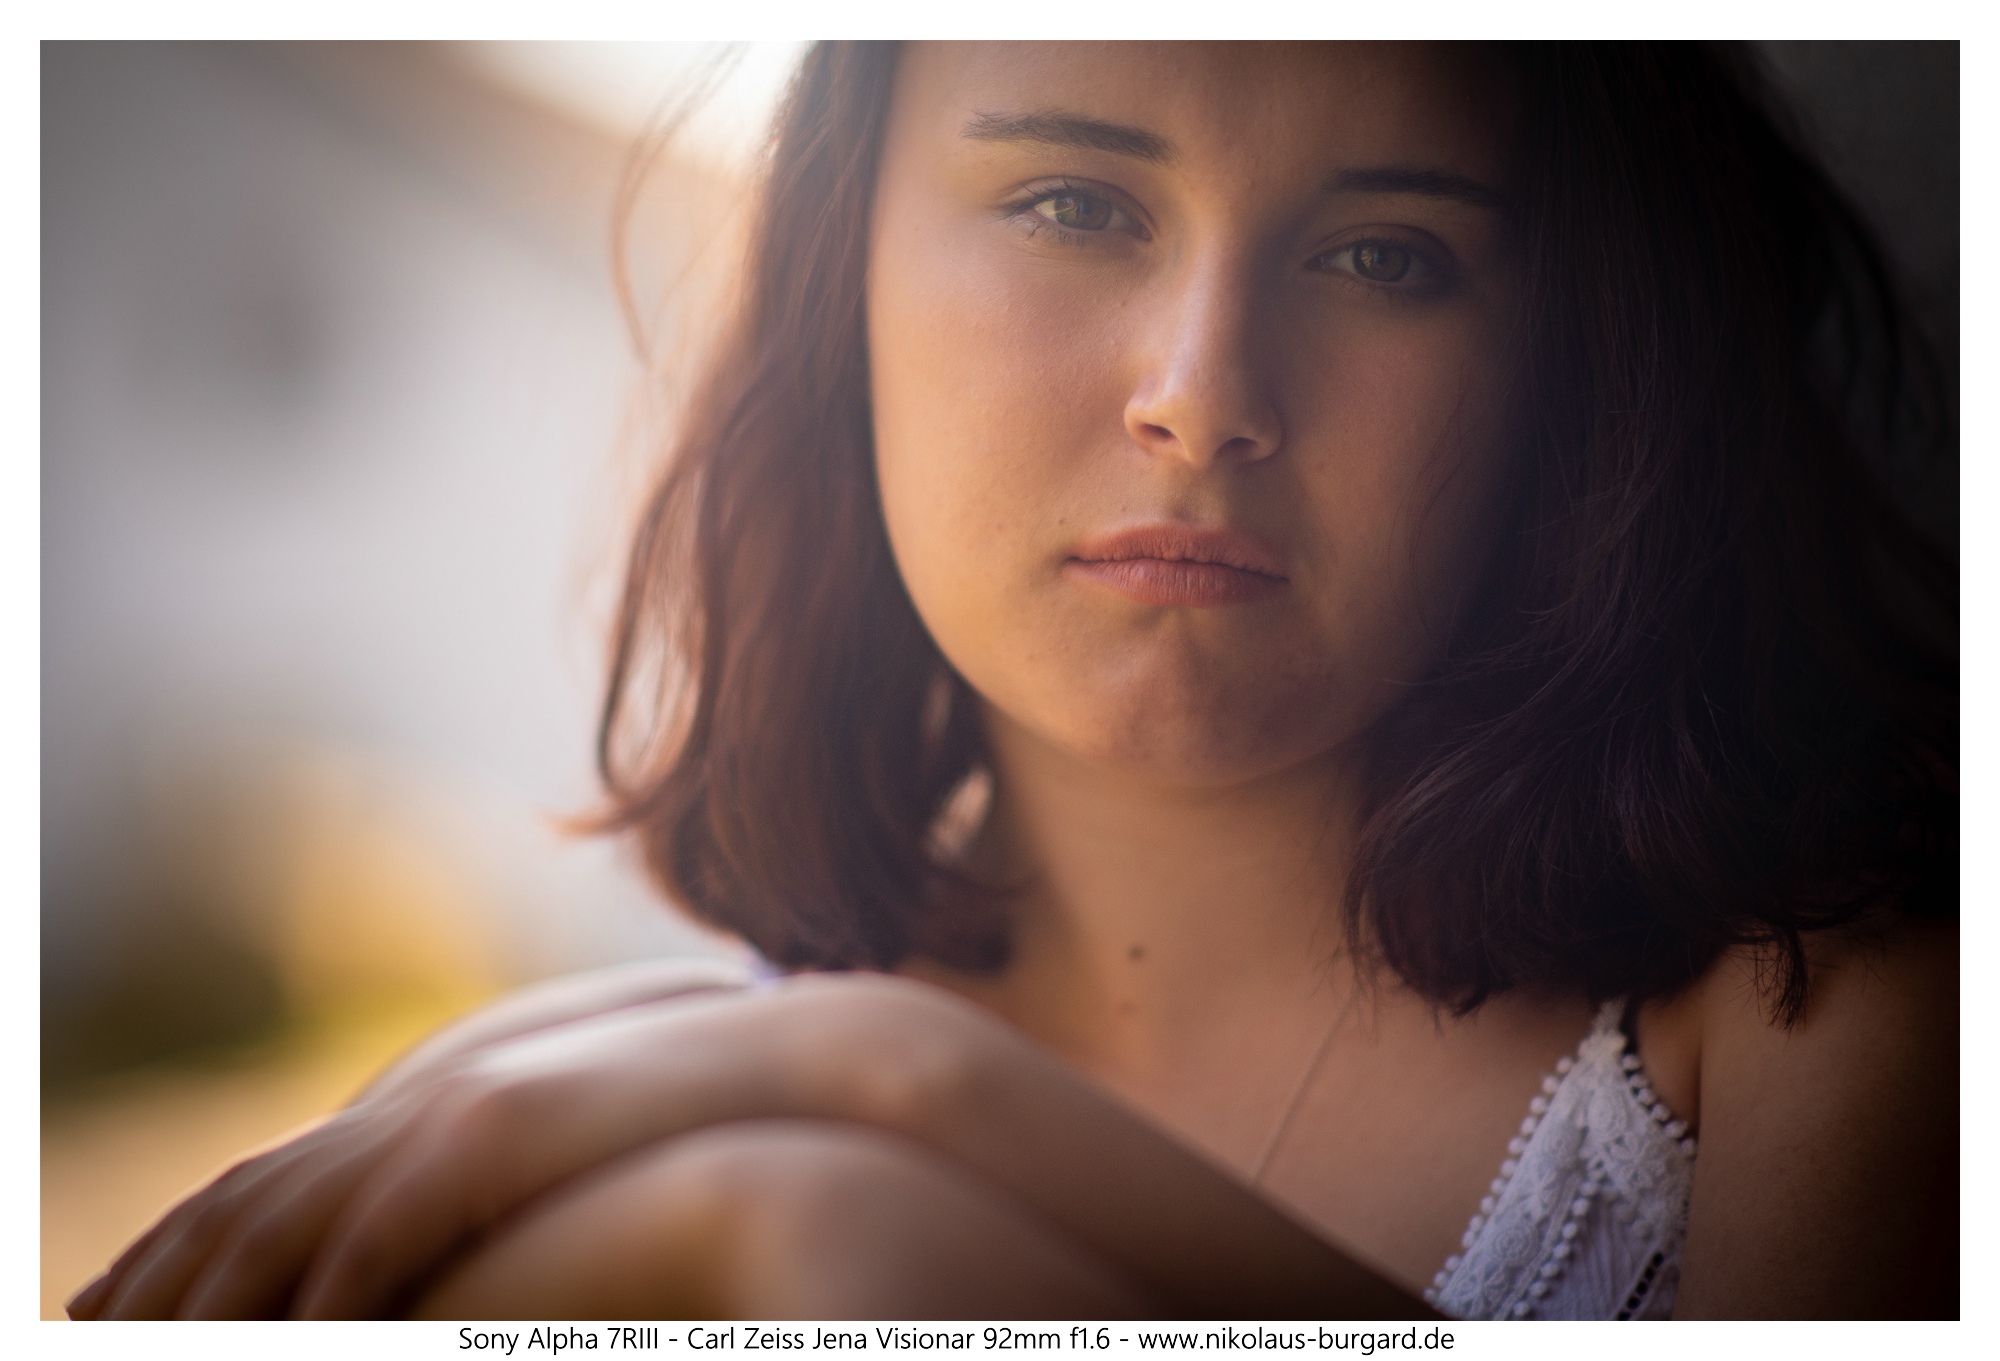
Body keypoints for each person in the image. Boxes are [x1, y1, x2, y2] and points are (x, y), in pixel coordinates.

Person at [69, 40, 1957, 1322]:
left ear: (1572, 358)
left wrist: (907, 1117)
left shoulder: (1823, 1001)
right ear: (844, 278)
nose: (1202, 395)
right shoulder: (622, 1122)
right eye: (1075, 203)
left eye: (1387, 253)